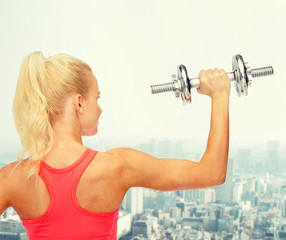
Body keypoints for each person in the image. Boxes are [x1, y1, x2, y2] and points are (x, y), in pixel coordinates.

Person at [0, 51, 230, 240]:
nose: (100, 108)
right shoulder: (116, 166)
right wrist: (219, 96)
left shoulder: (12, 178)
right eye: (97, 98)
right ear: (79, 103)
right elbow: (212, 173)